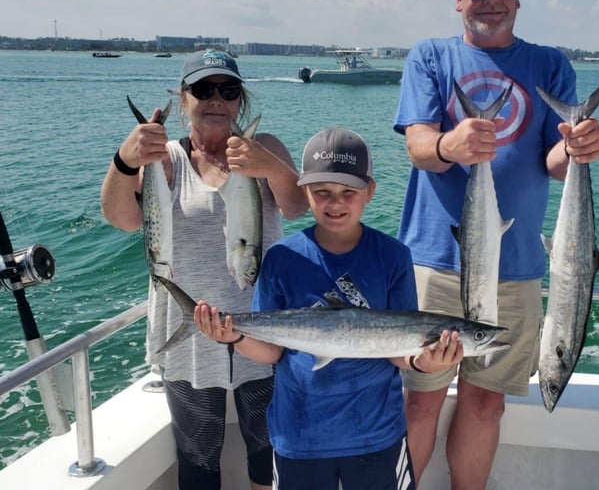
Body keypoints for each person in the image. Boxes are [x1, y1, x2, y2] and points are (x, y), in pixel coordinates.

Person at [393, 0, 599, 488]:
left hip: (514, 266)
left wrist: (577, 146)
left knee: (487, 405)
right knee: (421, 402)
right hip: (436, 263)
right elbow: (418, 147)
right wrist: (451, 146)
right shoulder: (430, 57)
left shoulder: (549, 64)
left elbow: (553, 161)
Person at [194, 126, 464, 490]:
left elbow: (401, 349)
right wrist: (233, 336)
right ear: (305, 191)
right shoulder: (281, 258)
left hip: (376, 435)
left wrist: (424, 361)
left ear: (369, 191)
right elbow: (271, 352)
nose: (335, 203)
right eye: (322, 192)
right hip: (299, 435)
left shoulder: (394, 256)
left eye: (348, 192)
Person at [100, 49, 309, 490]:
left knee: (267, 445)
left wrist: (266, 165)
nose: (217, 99)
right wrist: (125, 160)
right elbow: (123, 219)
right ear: (183, 99)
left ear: (240, 100)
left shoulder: (264, 148)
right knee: (198, 456)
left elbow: (295, 206)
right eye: (203, 89)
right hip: (186, 335)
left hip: (260, 333)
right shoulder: (165, 159)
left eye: (228, 90)